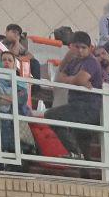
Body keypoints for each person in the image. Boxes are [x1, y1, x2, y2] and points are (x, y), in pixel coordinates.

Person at [44, 31, 103, 159]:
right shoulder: (74, 62)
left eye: (83, 47)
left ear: (90, 48)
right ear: (71, 47)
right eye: (77, 47)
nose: (80, 50)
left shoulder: (91, 62)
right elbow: (60, 78)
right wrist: (74, 80)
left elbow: (79, 80)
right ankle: (79, 156)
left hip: (88, 107)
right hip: (77, 106)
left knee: (51, 115)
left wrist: (73, 80)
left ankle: (75, 152)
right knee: (83, 147)